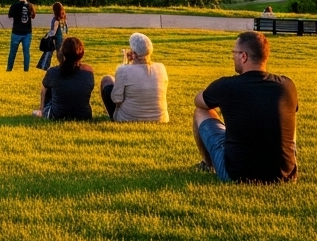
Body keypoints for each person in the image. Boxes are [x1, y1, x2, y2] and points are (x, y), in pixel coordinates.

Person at [193, 30, 298, 183]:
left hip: (238, 174)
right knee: (287, 116)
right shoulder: (287, 85)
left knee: (201, 111)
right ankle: (284, 160)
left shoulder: (226, 86)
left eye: (234, 52)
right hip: (285, 175)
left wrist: (221, 98)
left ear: (244, 56)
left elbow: (199, 101)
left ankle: (209, 165)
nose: (232, 56)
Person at [100, 32, 169, 123]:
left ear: (134, 54)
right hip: (160, 119)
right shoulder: (161, 68)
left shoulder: (123, 70)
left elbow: (116, 99)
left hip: (128, 118)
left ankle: (113, 118)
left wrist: (125, 66)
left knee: (107, 80)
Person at [32, 36, 94, 120]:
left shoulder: (53, 71)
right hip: (84, 115)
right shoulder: (89, 71)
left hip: (58, 115)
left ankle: (41, 112)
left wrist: (42, 109)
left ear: (63, 52)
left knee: (47, 87)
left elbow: (44, 90)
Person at [7, 0, 36, 72]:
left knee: (12, 52)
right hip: (27, 32)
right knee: (26, 52)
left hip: (16, 32)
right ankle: (26, 70)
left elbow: (10, 16)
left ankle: (9, 68)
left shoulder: (14, 6)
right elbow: (33, 16)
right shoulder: (30, 6)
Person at [36, 2, 68, 71]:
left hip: (58, 40)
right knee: (62, 55)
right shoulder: (63, 18)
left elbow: (54, 31)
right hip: (64, 39)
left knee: (59, 55)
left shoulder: (56, 19)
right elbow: (65, 29)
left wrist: (47, 35)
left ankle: (63, 68)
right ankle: (64, 67)